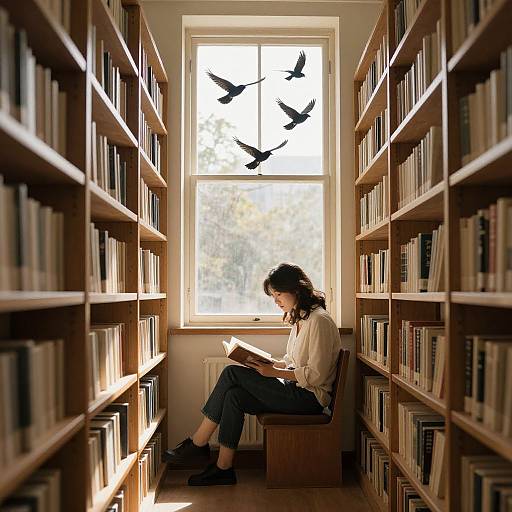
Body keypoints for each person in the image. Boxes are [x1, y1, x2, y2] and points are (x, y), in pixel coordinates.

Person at [164, 262, 341, 486]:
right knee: (234, 396)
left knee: (231, 373)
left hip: (309, 398)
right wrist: (269, 364)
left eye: (278, 294)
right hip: (297, 391)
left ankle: (198, 443)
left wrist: (272, 372)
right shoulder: (302, 319)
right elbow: (294, 361)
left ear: (295, 290)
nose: (275, 300)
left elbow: (316, 375)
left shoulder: (319, 321)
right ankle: (223, 468)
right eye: (272, 295)